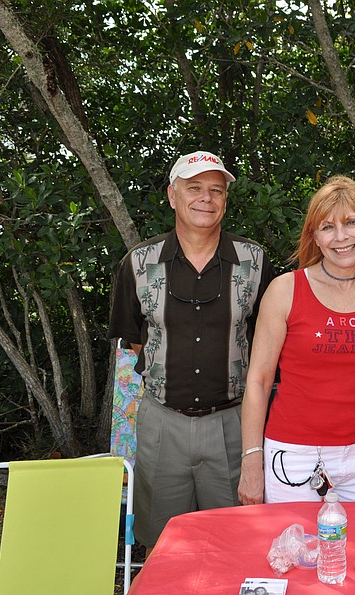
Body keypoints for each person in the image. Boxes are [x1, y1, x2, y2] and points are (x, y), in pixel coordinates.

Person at [108, 150, 275, 550]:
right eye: (194, 187)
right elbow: (135, 341)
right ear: (172, 194)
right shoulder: (138, 263)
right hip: (163, 423)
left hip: (234, 424)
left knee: (238, 539)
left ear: (225, 200)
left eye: (216, 190)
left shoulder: (254, 261)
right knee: (165, 544)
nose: (206, 197)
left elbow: (267, 343)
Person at [238, 175, 355, 504]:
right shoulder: (285, 290)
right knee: (292, 553)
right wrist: (251, 461)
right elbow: (258, 381)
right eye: (327, 227)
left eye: (351, 223)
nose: (341, 237)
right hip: (293, 454)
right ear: (314, 235)